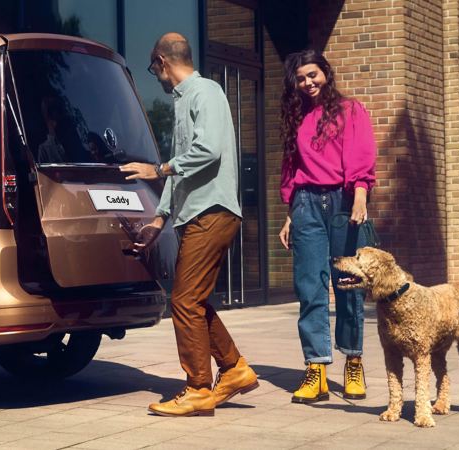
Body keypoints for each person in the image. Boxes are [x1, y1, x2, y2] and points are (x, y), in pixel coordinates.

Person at [119, 32, 258, 417]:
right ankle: (233, 369)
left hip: (211, 211)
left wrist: (158, 168)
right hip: (196, 211)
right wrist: (159, 217)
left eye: (154, 69)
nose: (157, 77)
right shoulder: (185, 102)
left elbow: (208, 150)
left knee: (183, 300)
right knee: (192, 299)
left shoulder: (205, 92)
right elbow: (183, 171)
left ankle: (198, 387)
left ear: (162, 61)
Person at [278, 49, 376, 403]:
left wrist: (360, 197)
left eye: (312, 75)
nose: (307, 83)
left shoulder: (350, 110)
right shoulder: (296, 118)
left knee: (348, 283)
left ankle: (353, 361)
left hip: (343, 202)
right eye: (301, 78)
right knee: (309, 287)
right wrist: (291, 213)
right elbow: (292, 168)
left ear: (325, 73)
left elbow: (361, 154)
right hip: (305, 205)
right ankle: (316, 368)